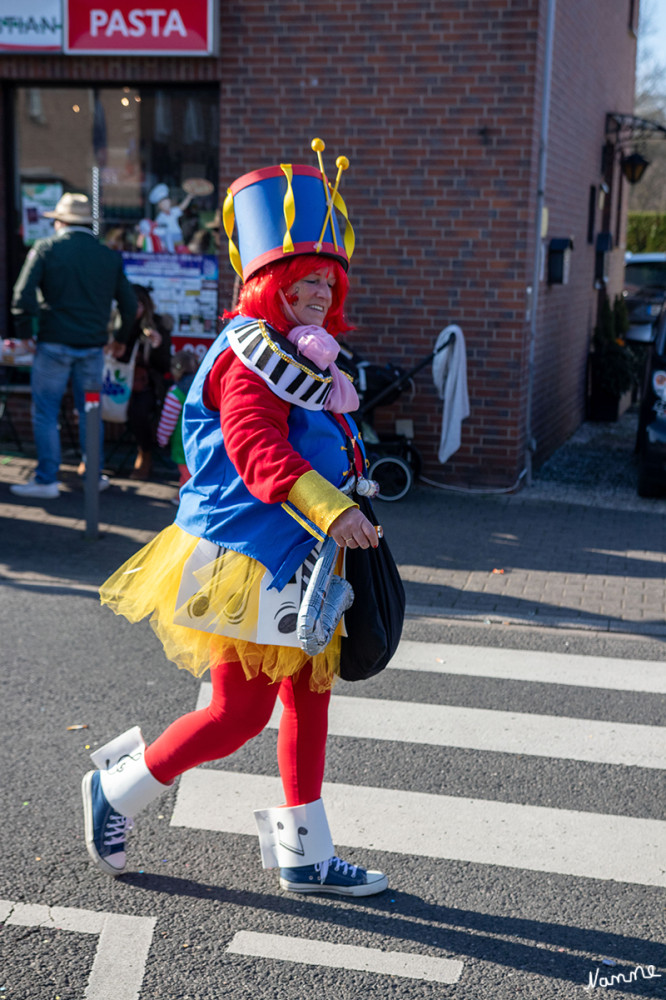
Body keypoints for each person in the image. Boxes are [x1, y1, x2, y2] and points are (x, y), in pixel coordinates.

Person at [82, 145, 389, 897]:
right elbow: (255, 448)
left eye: (327, 281)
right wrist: (333, 504)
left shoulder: (299, 349)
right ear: (269, 282)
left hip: (306, 550)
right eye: (303, 281)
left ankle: (305, 855)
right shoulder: (250, 355)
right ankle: (118, 792)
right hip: (252, 553)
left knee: (309, 701)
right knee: (237, 710)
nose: (318, 293)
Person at [9, 193, 137, 499]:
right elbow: (130, 305)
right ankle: (93, 476)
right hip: (93, 349)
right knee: (90, 412)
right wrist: (119, 339)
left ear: (59, 221)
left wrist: (25, 330)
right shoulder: (107, 255)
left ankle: (46, 481)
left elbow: (21, 296)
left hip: (53, 345)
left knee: (46, 412)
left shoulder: (46, 249)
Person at [115, 285, 173, 481]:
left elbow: (165, 367)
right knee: (90, 405)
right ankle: (90, 457)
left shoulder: (157, 326)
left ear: (146, 306)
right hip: (116, 381)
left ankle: (145, 453)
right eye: (132, 305)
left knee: (138, 410)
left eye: (139, 305)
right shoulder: (117, 324)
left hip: (145, 384)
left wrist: (156, 347)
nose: (135, 309)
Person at [156, 349, 199, 498]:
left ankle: (186, 500)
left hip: (183, 444)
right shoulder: (202, 387)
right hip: (203, 440)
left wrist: (162, 439)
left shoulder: (176, 393)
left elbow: (168, 421)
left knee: (188, 476)